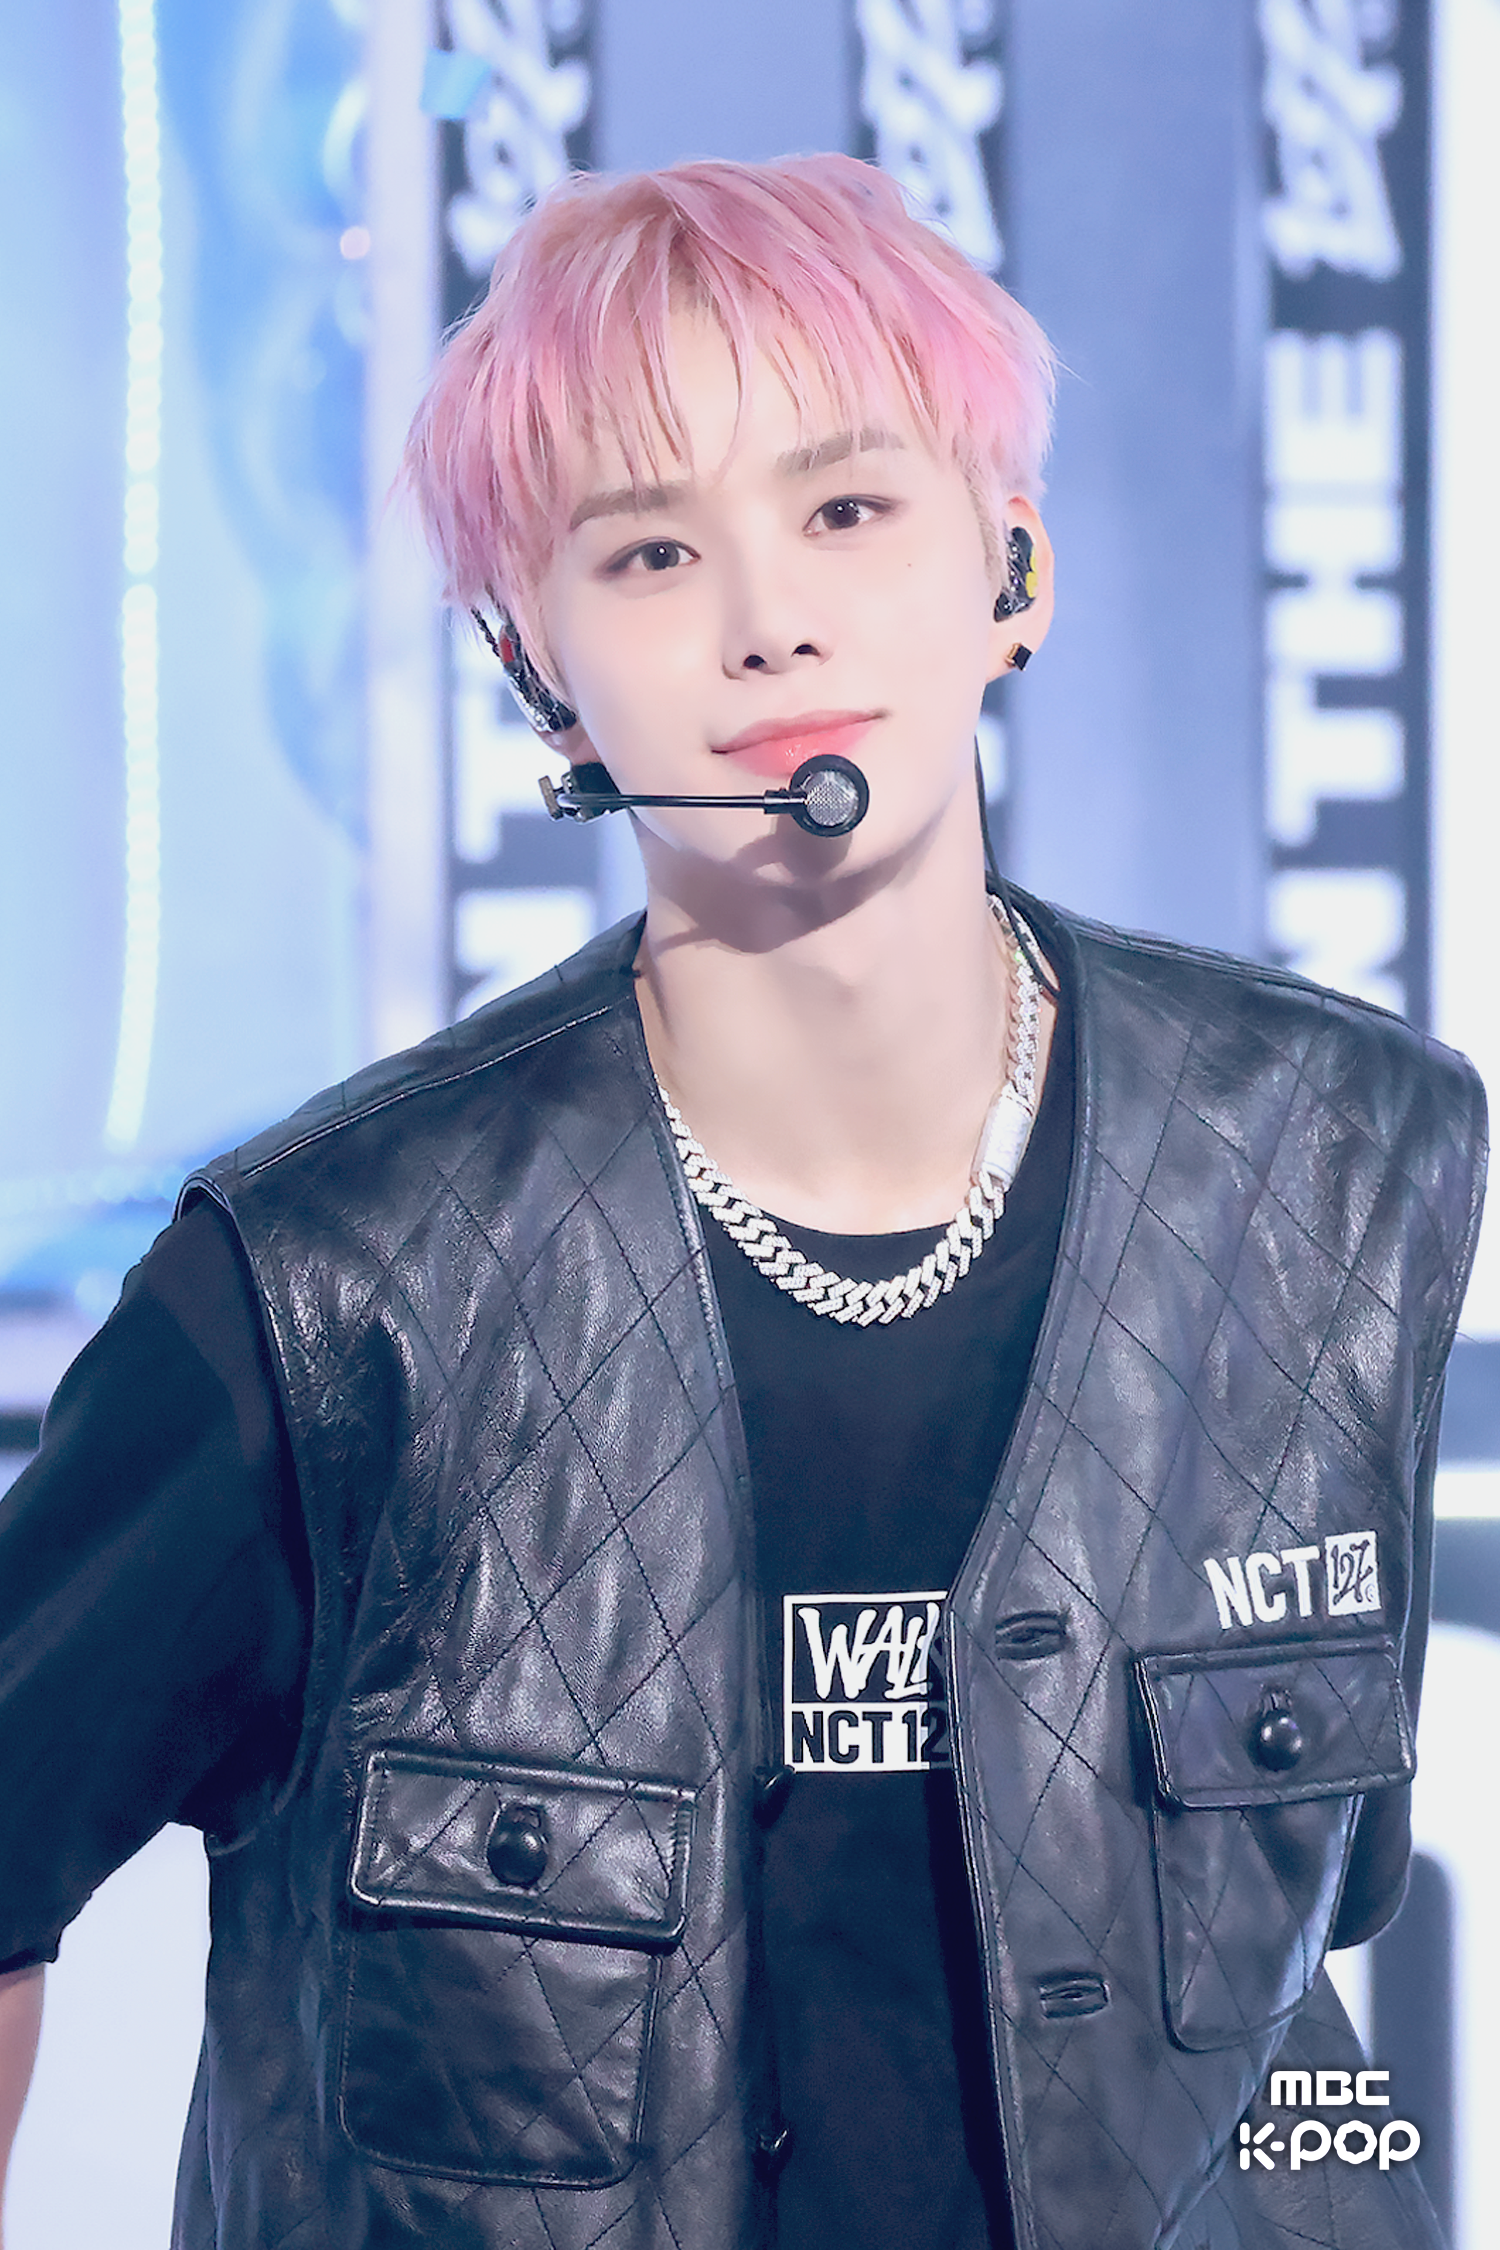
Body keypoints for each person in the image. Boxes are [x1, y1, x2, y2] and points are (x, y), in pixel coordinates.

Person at [0, 156, 1484, 2250]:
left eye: (849, 508)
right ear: (534, 665)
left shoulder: (1341, 1157)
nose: (768, 617)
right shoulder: (315, 1293)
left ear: (1014, 566)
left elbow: (1299, 1995)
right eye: (652, 549)